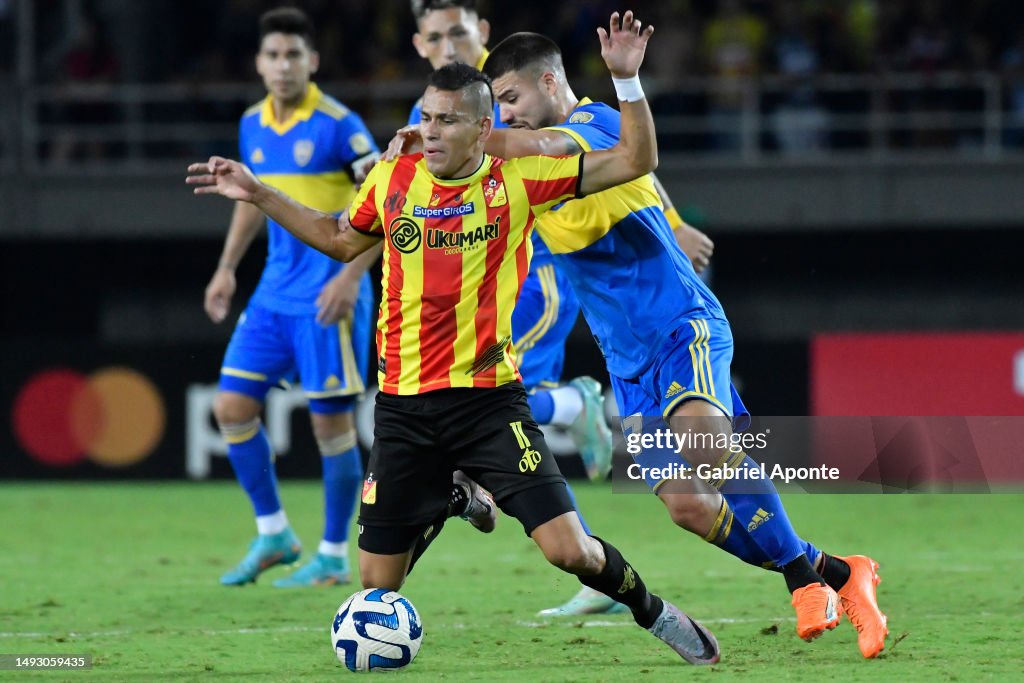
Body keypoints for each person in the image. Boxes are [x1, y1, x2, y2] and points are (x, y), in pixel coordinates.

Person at [189, 11, 723, 666]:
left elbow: (637, 158)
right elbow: (336, 236)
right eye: (427, 117)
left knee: (569, 551)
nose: (428, 131)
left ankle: (656, 612)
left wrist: (627, 83)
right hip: (404, 408)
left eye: (446, 120)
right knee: (375, 584)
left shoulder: (521, 181)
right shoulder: (392, 180)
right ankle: (449, 492)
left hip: (488, 404)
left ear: (484, 127)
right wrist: (258, 192)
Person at [465, 31, 887, 658]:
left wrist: (459, 134)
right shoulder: (520, 168)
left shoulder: (594, 121)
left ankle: (802, 582)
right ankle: (838, 572)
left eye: (511, 96)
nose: (508, 112)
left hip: (680, 324)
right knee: (689, 507)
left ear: (549, 82)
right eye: (497, 104)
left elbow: (573, 145)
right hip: (628, 359)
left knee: (705, 446)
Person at [409, 0, 619, 618]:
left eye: (459, 31)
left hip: (530, 279)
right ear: (420, 45)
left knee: (487, 410)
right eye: (435, 35)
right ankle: (573, 554)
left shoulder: (507, 101)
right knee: (498, 419)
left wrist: (674, 220)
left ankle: (574, 408)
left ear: (483, 34)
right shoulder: (439, 113)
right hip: (473, 293)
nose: (448, 43)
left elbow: (608, 158)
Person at [203, 7, 380, 588]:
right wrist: (227, 268)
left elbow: (389, 201)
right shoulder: (253, 123)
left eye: (293, 55)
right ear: (258, 63)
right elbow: (248, 200)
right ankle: (274, 532)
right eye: (273, 55)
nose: (283, 65)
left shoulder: (340, 124)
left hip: (329, 294)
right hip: (274, 293)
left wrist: (351, 276)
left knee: (331, 428)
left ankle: (331, 553)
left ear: (313, 61)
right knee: (230, 407)